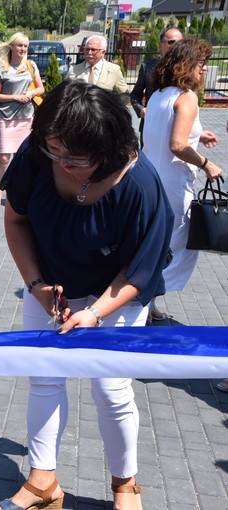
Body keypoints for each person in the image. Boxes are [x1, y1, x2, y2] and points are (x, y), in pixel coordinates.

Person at [0, 80, 173, 510]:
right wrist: (37, 285)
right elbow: (16, 221)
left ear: (108, 147)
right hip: (50, 285)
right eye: (54, 152)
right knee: (43, 378)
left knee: (110, 388)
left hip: (118, 293)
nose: (62, 163)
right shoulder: (39, 154)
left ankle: (125, 485)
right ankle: (43, 481)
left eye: (74, 158)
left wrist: (95, 311)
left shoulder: (140, 185)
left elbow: (140, 269)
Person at [142, 39, 223, 323]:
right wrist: (206, 163)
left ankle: (146, 306)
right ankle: (142, 305)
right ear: (188, 65)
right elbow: (177, 145)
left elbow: (165, 132)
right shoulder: (186, 97)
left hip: (149, 177)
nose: (205, 70)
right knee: (174, 246)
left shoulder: (159, 94)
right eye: (201, 65)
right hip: (173, 183)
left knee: (152, 244)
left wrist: (198, 135)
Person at [0, 32, 43, 209]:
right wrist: (15, 97)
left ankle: (20, 194)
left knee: (23, 158)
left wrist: (31, 93)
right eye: (20, 45)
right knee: (4, 157)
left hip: (26, 119)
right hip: (6, 118)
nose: (23, 49)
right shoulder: (2, 68)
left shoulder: (30, 65)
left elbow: (41, 88)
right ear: (11, 46)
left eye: (25, 46)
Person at [130, 27, 183, 148]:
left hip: (178, 125)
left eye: (179, 43)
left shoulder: (189, 69)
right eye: (171, 42)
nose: (176, 46)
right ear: (161, 45)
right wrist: (141, 109)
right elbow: (135, 94)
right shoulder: (148, 67)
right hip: (151, 125)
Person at [66, 35, 129, 105]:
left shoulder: (114, 70)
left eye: (93, 50)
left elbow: (124, 94)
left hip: (104, 114)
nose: (89, 53)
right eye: (87, 49)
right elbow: (66, 93)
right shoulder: (73, 71)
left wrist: (116, 111)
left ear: (103, 52)